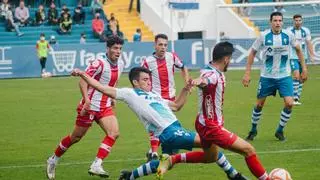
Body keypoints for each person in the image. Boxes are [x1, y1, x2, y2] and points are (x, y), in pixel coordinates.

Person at [71, 66, 248, 180]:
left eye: (149, 79)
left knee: (166, 162)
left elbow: (177, 105)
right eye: (145, 80)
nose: (149, 82)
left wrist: (186, 90)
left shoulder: (155, 96)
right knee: (210, 143)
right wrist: (83, 74)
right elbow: (102, 88)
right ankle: (234, 175)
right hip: (169, 132)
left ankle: (129, 176)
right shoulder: (130, 93)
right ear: (135, 82)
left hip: (173, 130)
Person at [46, 36, 125, 180]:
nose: (118, 51)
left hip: (104, 106)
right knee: (76, 137)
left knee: (114, 133)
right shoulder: (99, 63)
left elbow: (114, 82)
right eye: (115, 48)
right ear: (107, 49)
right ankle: (53, 159)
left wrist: (112, 97)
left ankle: (97, 164)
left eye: (120, 48)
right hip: (90, 106)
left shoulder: (121, 64)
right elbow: (82, 81)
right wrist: (87, 100)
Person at [243, 12, 308, 141]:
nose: (278, 23)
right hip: (267, 77)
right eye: (275, 20)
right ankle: (253, 130)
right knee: (259, 105)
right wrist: (247, 73)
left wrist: (304, 68)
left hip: (284, 76)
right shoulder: (263, 36)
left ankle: (279, 131)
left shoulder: (289, 35)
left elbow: (299, 50)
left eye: (280, 20)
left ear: (282, 22)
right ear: (270, 22)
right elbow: (252, 53)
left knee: (290, 103)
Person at [141, 33, 189, 161]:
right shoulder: (147, 62)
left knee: (165, 125)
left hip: (171, 97)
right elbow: (141, 79)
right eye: (160, 44)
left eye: (165, 45)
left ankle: (154, 151)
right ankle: (156, 153)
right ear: (155, 45)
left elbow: (183, 67)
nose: (163, 47)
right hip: (157, 99)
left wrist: (187, 81)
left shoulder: (172, 57)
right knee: (160, 125)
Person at [287, 14, 315, 105]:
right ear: (293, 21)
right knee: (296, 75)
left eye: (299, 20)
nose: (298, 22)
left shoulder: (305, 31)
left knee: (302, 78)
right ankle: (294, 99)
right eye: (296, 20)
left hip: (303, 58)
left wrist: (312, 55)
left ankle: (297, 97)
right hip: (292, 57)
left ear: (302, 21)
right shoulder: (289, 31)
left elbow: (309, 43)